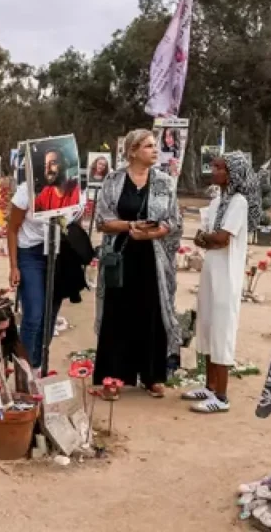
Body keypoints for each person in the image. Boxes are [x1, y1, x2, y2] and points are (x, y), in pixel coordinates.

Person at [92, 129, 183, 398]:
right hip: (120, 257)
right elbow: (102, 219)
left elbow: (175, 220)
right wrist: (131, 226)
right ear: (132, 151)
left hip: (153, 260)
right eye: (148, 146)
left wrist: (154, 232)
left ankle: (152, 375)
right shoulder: (113, 180)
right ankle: (113, 377)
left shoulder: (165, 182)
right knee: (117, 315)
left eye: (156, 146)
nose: (155, 151)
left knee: (152, 313)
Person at [183, 152, 261, 413]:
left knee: (222, 329)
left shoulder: (238, 202)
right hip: (210, 269)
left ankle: (222, 396)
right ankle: (209, 385)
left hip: (227, 273)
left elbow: (221, 238)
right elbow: (202, 237)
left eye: (219, 168)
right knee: (206, 325)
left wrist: (206, 237)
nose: (213, 171)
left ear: (233, 174)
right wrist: (206, 238)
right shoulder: (217, 200)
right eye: (214, 166)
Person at [7, 160, 85, 370]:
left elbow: (76, 224)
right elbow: (12, 228)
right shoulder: (26, 192)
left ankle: (37, 365)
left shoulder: (75, 193)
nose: (52, 168)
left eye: (55, 163)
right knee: (33, 314)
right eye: (47, 163)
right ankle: (24, 370)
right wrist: (14, 266)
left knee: (50, 315)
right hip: (30, 253)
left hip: (59, 255)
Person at [34, 147, 80, 213]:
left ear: (65, 164)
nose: (47, 170)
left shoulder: (77, 191)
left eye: (53, 163)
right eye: (45, 165)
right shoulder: (46, 191)